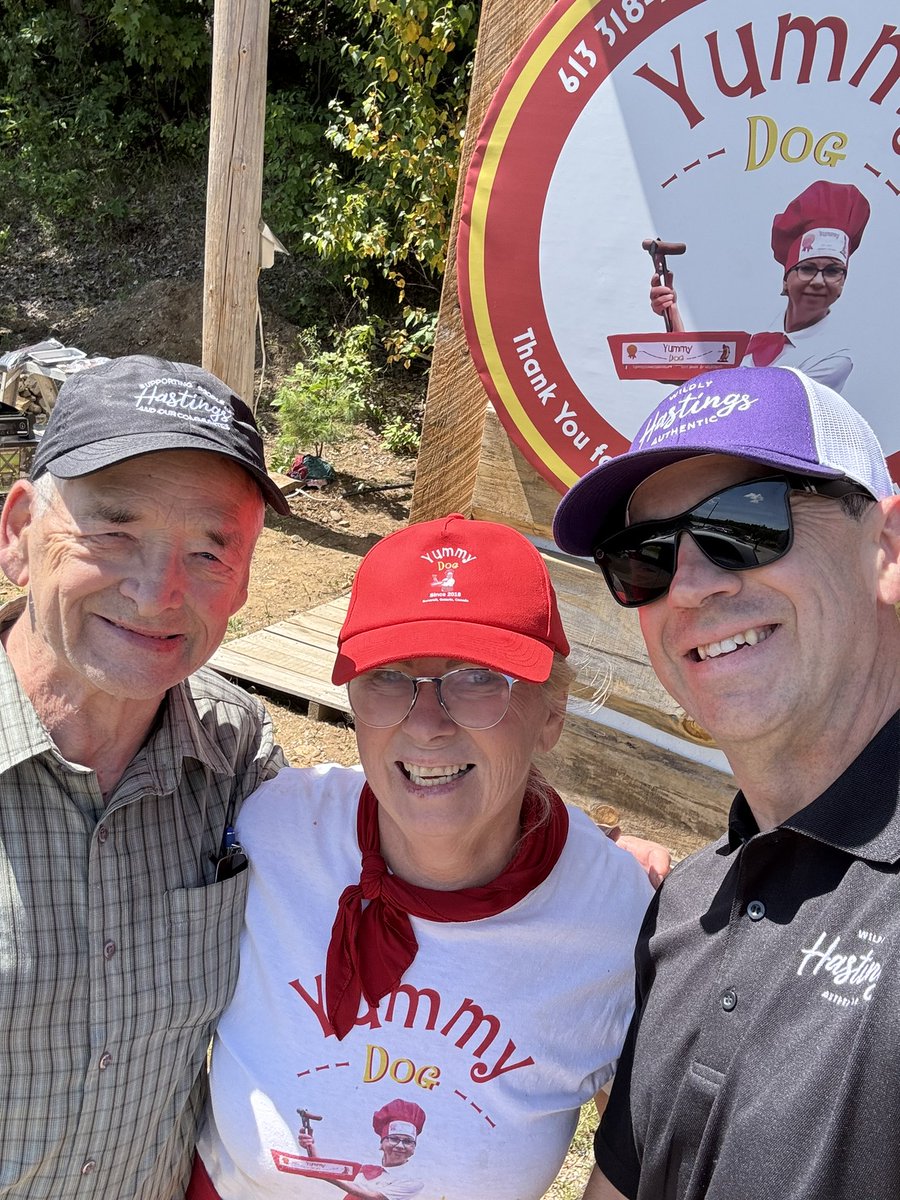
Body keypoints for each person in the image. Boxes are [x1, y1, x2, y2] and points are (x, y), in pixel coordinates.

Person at [187, 514, 656, 1200]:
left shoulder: (620, 924)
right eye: (389, 676)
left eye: (478, 679)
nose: (428, 721)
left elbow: (641, 1162)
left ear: (551, 712)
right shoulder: (266, 831)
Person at [552, 363, 900, 1199]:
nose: (692, 585)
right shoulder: (686, 906)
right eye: (645, 558)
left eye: (747, 522)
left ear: (885, 549)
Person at [0, 355, 291, 1198]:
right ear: (19, 534)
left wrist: (555, 844)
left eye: (209, 550)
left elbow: (382, 851)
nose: (159, 592)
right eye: (114, 533)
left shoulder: (237, 754)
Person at [651, 180, 870, 392]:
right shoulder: (754, 332)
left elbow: (755, 405)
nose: (819, 281)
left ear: (843, 281)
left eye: (832, 271)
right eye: (807, 268)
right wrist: (671, 312)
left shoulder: (835, 358)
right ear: (786, 279)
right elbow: (700, 373)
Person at [294, 1098, 426, 1199]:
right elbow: (320, 1166)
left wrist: (325, 1175)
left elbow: (373, 1196)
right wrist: (310, 1145)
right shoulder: (362, 1169)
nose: (400, 1146)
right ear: (382, 1143)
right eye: (394, 1139)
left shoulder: (413, 1180)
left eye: (408, 1141)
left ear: (414, 1148)